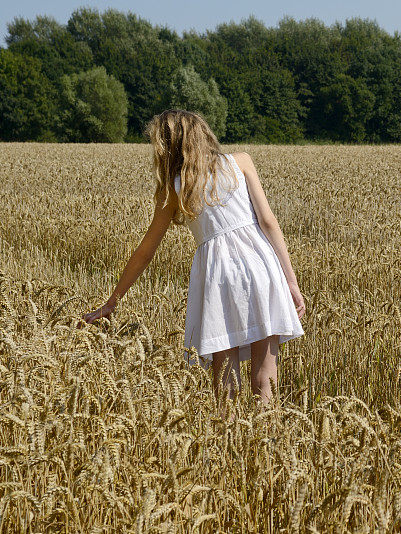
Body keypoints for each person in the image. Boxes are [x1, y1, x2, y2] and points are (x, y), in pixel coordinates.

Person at [82, 109, 305, 406]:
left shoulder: (174, 189)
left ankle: (229, 444)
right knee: (265, 375)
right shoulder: (242, 162)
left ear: (167, 147)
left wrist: (112, 301)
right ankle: (267, 443)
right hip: (262, 265)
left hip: (219, 276)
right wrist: (291, 282)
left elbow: (146, 252)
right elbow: (268, 222)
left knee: (225, 376)